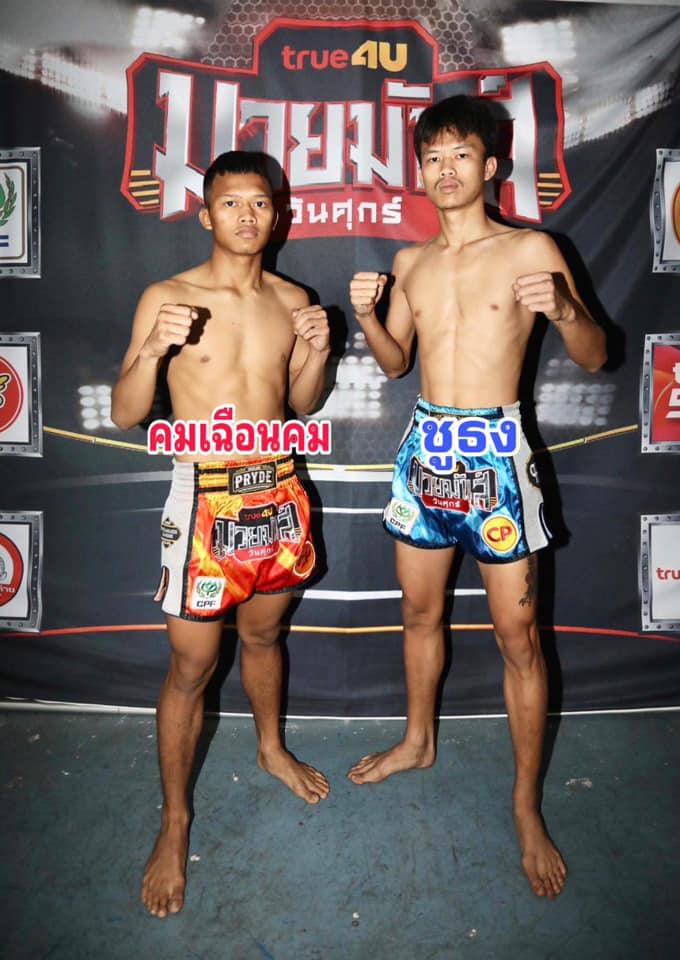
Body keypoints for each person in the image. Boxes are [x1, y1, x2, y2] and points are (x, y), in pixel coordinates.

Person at [349, 95, 607, 900]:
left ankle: (525, 806)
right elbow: (396, 362)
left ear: (490, 165)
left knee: (518, 638)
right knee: (418, 614)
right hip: (426, 453)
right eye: (432, 157)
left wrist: (567, 310)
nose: (446, 169)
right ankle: (418, 740)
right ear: (420, 171)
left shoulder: (532, 248)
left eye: (461, 154)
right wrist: (367, 317)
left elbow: (596, 356)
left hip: (497, 454)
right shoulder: (412, 261)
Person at [112, 150, 331, 919]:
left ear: (277, 215)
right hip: (203, 495)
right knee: (192, 665)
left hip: (277, 491)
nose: (246, 215)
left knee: (266, 637)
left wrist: (317, 350)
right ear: (206, 214)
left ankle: (270, 748)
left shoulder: (293, 298)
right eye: (231, 203)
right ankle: (175, 821)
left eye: (260, 203)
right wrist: (151, 349)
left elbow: (302, 403)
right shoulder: (168, 296)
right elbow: (126, 413)